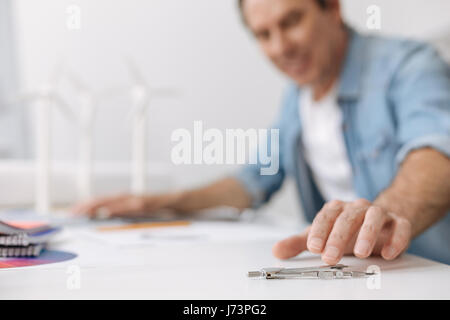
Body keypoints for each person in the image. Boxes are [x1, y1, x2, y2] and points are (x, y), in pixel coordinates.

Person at [72, 0, 450, 265]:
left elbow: (437, 153)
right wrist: (161, 202)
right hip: (350, 275)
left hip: (427, 273)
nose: (280, 47)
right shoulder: (296, 97)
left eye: (291, 21)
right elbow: (253, 182)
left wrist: (387, 213)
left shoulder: (410, 65)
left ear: (332, 8)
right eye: (263, 34)